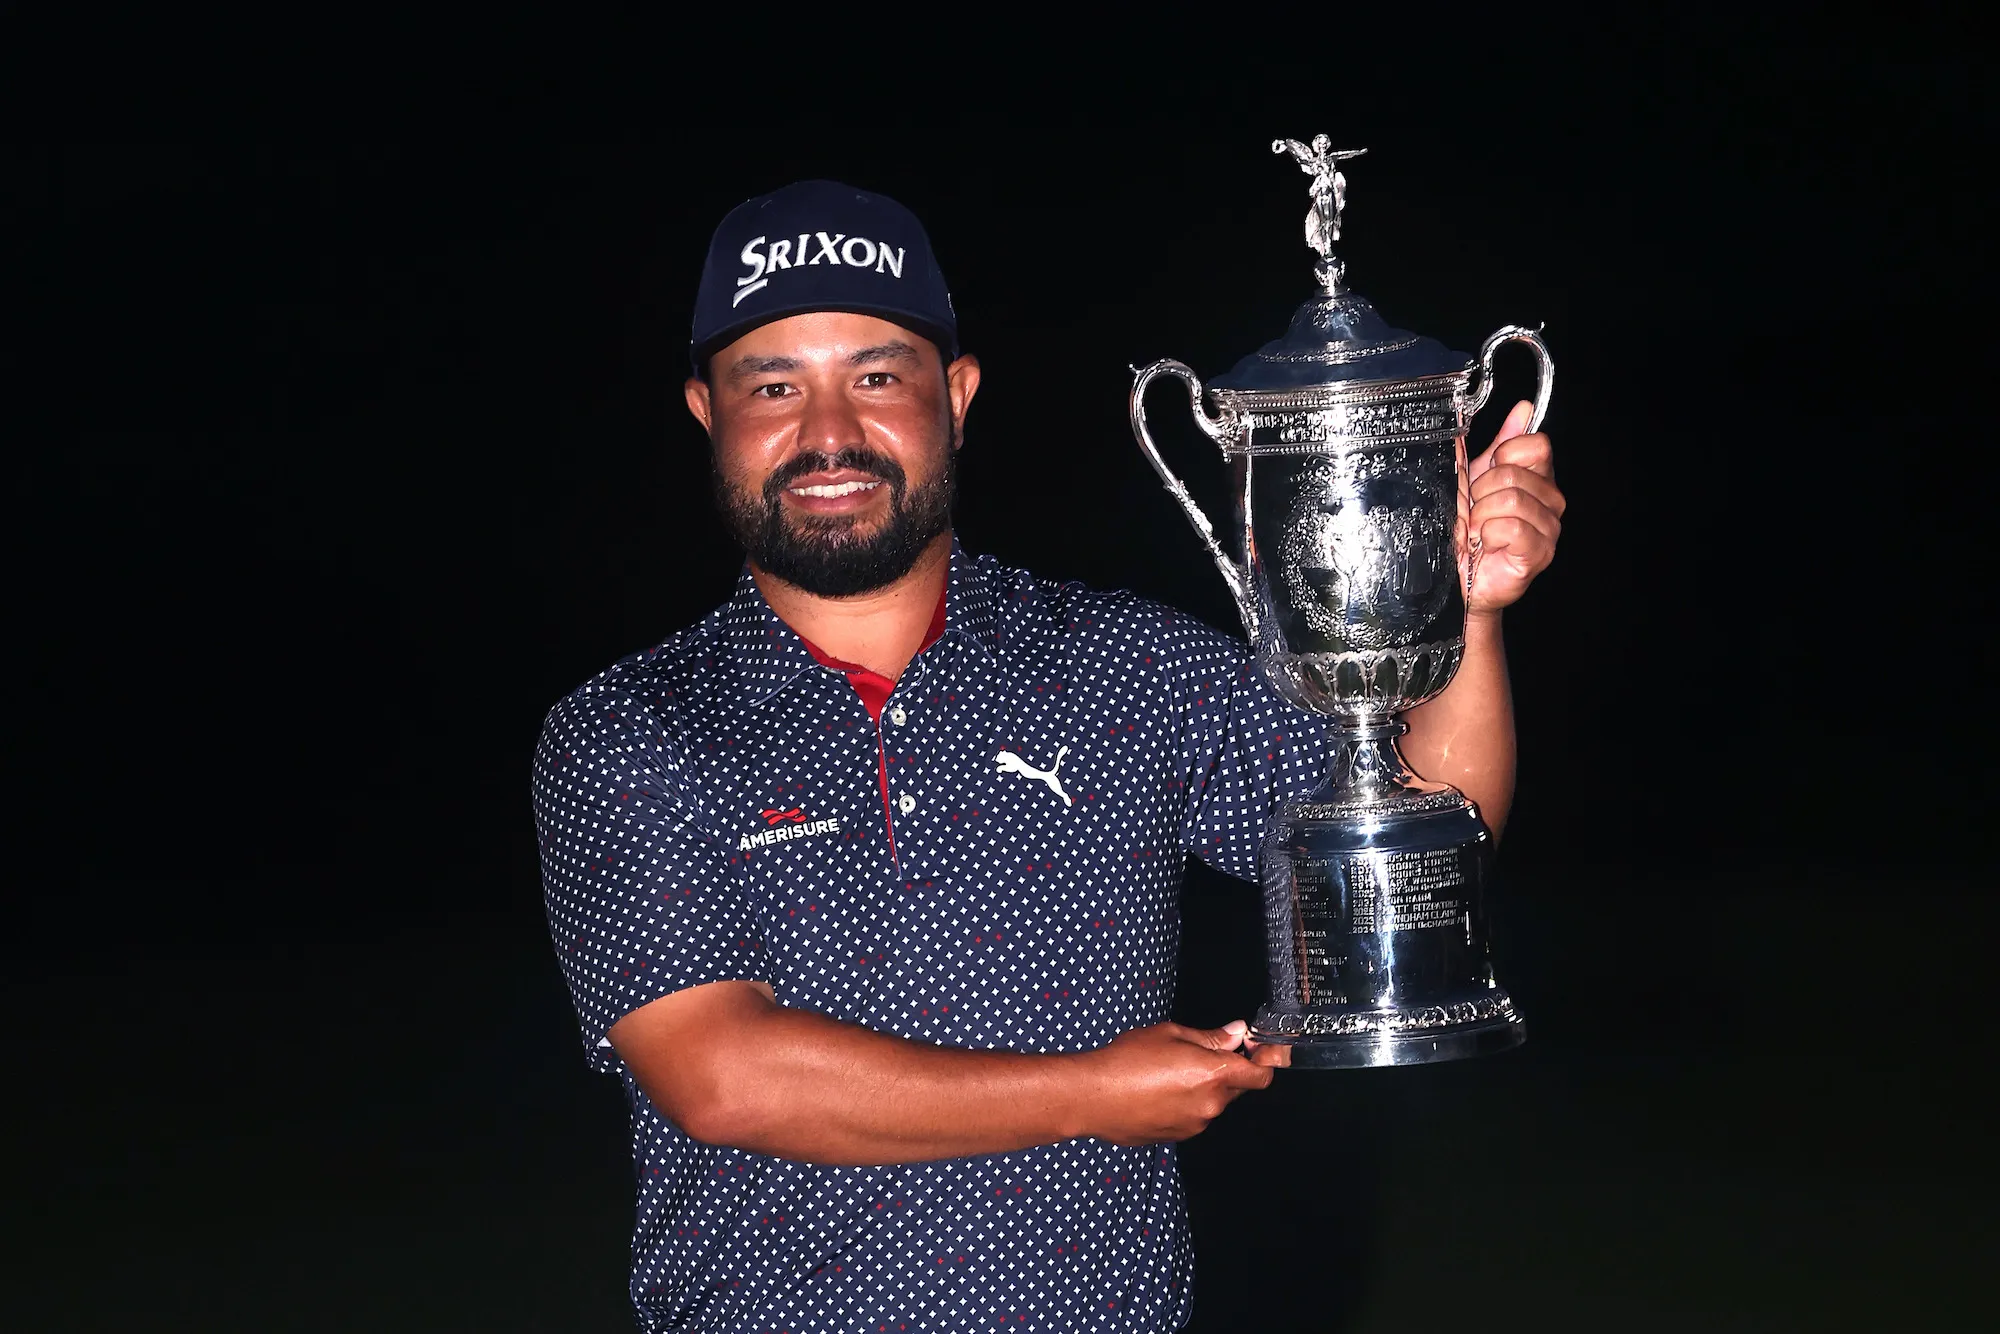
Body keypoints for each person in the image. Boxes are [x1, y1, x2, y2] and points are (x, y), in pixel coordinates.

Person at [533, 179, 1565, 1332]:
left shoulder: (1124, 666)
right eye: (772, 385)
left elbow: (1429, 834)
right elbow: (717, 1074)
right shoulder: (627, 727)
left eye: (876, 376)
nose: (827, 432)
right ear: (703, 411)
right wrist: (1089, 1094)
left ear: (956, 397)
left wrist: (1465, 613)